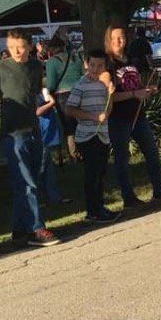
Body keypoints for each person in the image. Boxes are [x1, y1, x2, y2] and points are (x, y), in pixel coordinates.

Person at [104, 24, 161, 206]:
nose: (118, 41)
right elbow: (109, 97)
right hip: (118, 118)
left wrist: (145, 90)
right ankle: (128, 198)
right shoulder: (108, 64)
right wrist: (133, 94)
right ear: (109, 40)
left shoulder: (130, 60)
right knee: (122, 159)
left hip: (137, 115)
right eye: (114, 38)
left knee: (152, 152)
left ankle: (160, 189)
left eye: (121, 37)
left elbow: (136, 84)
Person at [0, 28, 59, 246]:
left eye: (20, 47)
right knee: (26, 182)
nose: (16, 51)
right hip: (12, 133)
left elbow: (34, 94)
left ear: (30, 47)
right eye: (11, 46)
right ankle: (36, 227)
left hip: (32, 129)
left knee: (29, 179)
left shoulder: (35, 66)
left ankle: (19, 229)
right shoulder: (2, 68)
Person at [65, 49, 121, 223]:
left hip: (102, 134)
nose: (96, 69)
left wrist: (110, 95)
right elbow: (69, 109)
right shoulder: (80, 85)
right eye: (92, 65)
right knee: (92, 173)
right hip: (87, 135)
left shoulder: (103, 85)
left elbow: (108, 110)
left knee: (101, 172)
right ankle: (92, 210)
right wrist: (92, 117)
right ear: (86, 64)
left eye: (100, 65)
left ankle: (99, 207)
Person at [44, 35, 84, 156]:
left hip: (63, 96)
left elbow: (51, 84)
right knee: (82, 122)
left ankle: (75, 154)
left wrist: (45, 90)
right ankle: (87, 150)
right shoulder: (76, 57)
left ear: (52, 48)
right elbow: (83, 74)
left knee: (69, 127)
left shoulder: (52, 62)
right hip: (79, 92)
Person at [36, 91, 67, 204]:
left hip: (47, 134)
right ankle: (40, 198)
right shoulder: (33, 93)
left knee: (48, 169)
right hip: (41, 135)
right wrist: (51, 103)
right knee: (41, 168)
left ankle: (53, 197)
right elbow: (37, 111)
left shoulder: (41, 92)